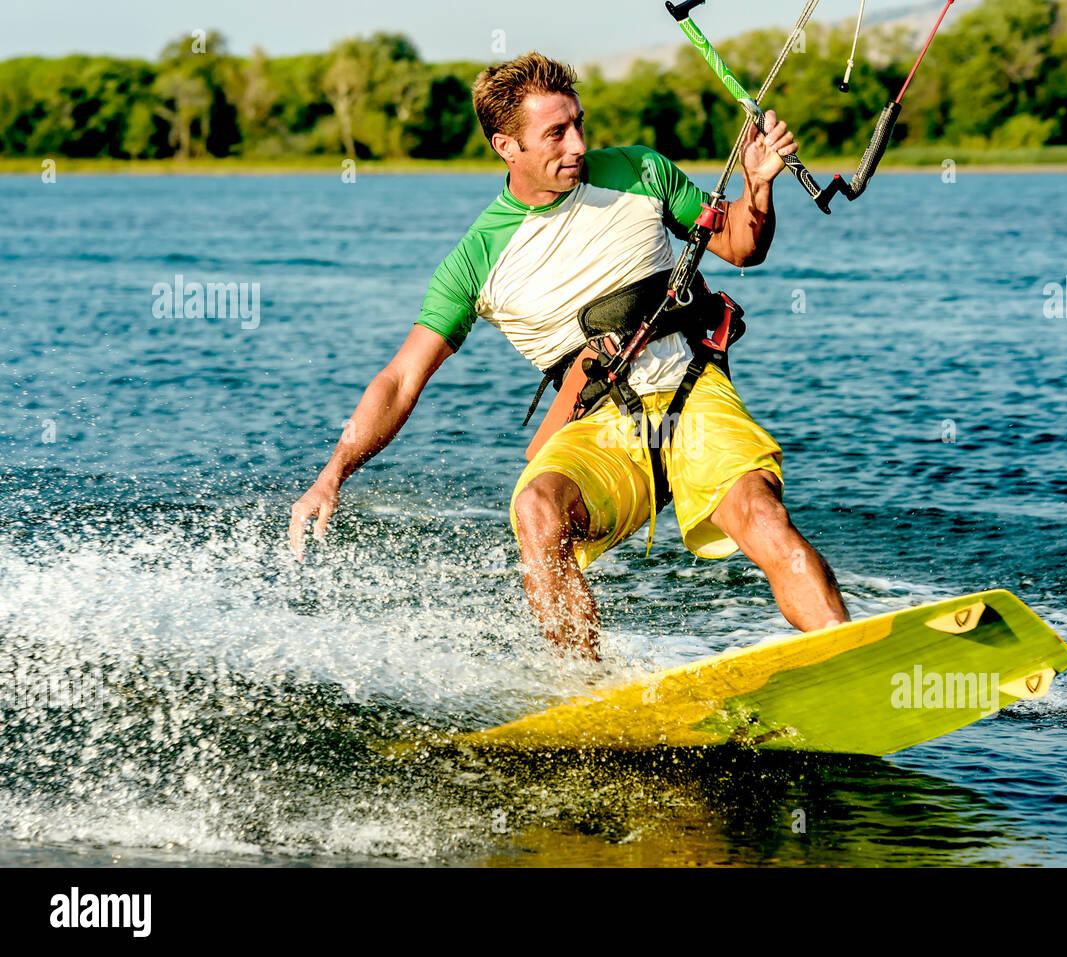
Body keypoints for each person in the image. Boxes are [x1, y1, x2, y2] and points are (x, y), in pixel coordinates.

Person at [289, 52, 847, 659]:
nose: (577, 144)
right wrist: (333, 473)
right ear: (507, 146)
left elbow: (741, 245)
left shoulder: (638, 170)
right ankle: (585, 691)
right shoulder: (477, 259)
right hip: (599, 425)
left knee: (761, 515)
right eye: (556, 133)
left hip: (692, 396)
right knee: (535, 508)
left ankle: (848, 659)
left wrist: (758, 184)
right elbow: (400, 379)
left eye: (578, 123)